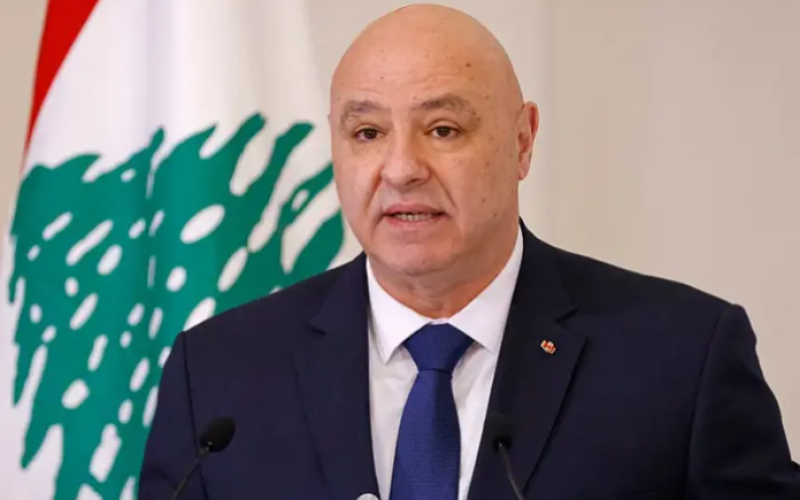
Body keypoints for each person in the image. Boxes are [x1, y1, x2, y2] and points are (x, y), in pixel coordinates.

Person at [138, 4, 800, 500]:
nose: (401, 169)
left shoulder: (682, 357)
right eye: (367, 132)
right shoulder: (218, 376)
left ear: (522, 141)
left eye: (443, 129)